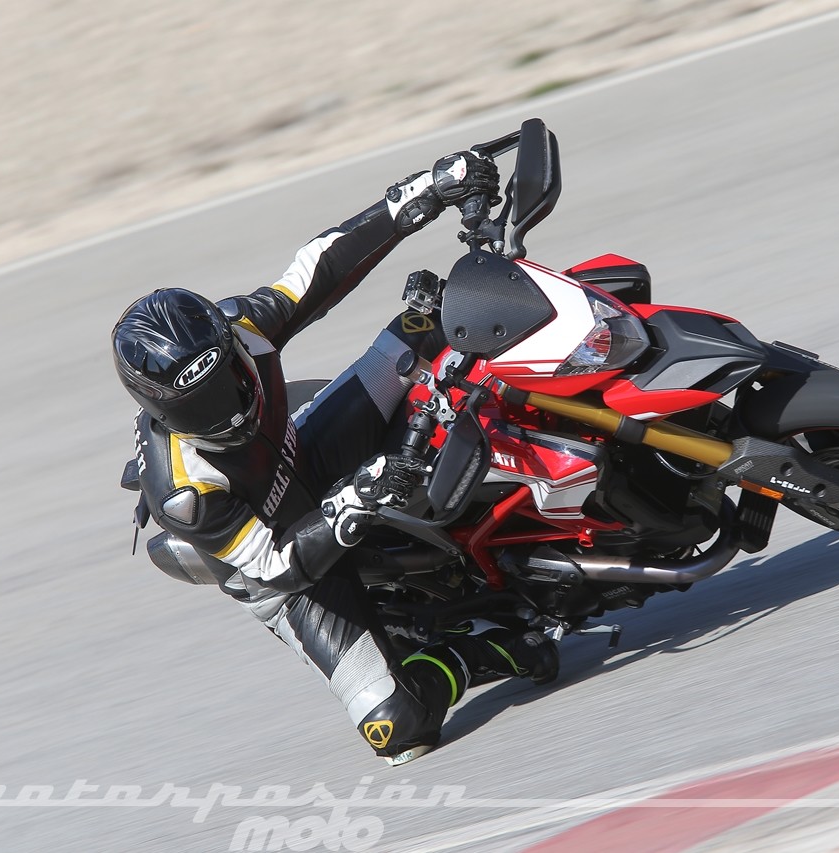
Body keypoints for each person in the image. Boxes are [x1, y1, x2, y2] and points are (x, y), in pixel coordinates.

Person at [112, 150, 558, 766]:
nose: (229, 407)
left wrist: (420, 196)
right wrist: (354, 501)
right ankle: (479, 646)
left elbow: (318, 268)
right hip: (291, 567)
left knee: (426, 323)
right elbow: (274, 568)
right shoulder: (183, 491)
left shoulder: (240, 328)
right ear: (159, 408)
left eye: (228, 380)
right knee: (397, 729)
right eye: (200, 404)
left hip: (306, 451)